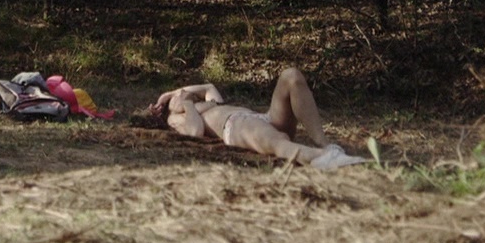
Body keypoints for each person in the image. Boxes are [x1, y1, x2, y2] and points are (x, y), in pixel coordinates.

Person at [148, 67, 366, 169]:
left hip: (261, 118)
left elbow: (208, 87)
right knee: (279, 142)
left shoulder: (206, 103)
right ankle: (320, 159)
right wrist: (184, 104)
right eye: (176, 96)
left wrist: (171, 93)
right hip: (236, 127)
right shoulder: (174, 119)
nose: (182, 93)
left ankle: (326, 145)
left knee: (291, 76)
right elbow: (195, 132)